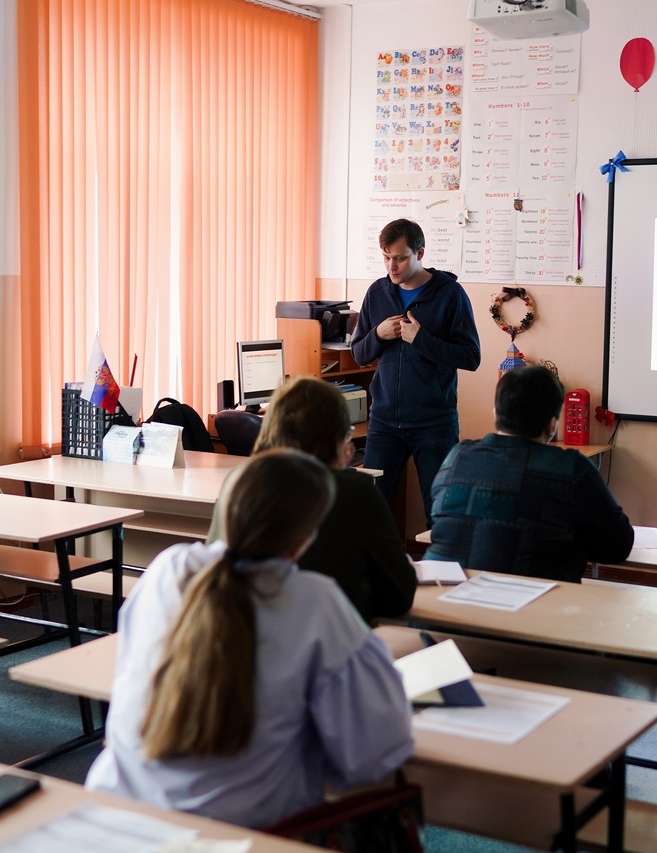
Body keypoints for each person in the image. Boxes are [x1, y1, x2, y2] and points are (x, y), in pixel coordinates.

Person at [86, 450, 413, 829]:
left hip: (118, 812)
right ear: (305, 538)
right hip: (245, 831)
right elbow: (375, 751)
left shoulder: (167, 569)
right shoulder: (314, 601)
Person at [206, 376, 416, 624]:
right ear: (337, 439)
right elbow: (399, 598)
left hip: (245, 636)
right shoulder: (355, 491)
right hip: (332, 640)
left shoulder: (237, 481)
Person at [426, 365, 634, 582]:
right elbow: (619, 545)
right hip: (530, 605)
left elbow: (439, 515)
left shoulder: (457, 456)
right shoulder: (571, 468)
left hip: (439, 597)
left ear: (496, 412)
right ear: (552, 423)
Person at [351, 218, 481, 525]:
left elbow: (471, 357)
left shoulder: (450, 293)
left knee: (440, 514)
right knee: (369, 511)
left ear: (419, 253)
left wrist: (421, 339)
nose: (391, 267)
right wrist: (378, 335)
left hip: (433, 423)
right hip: (383, 421)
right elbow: (358, 354)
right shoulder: (377, 292)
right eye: (386, 258)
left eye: (399, 258)